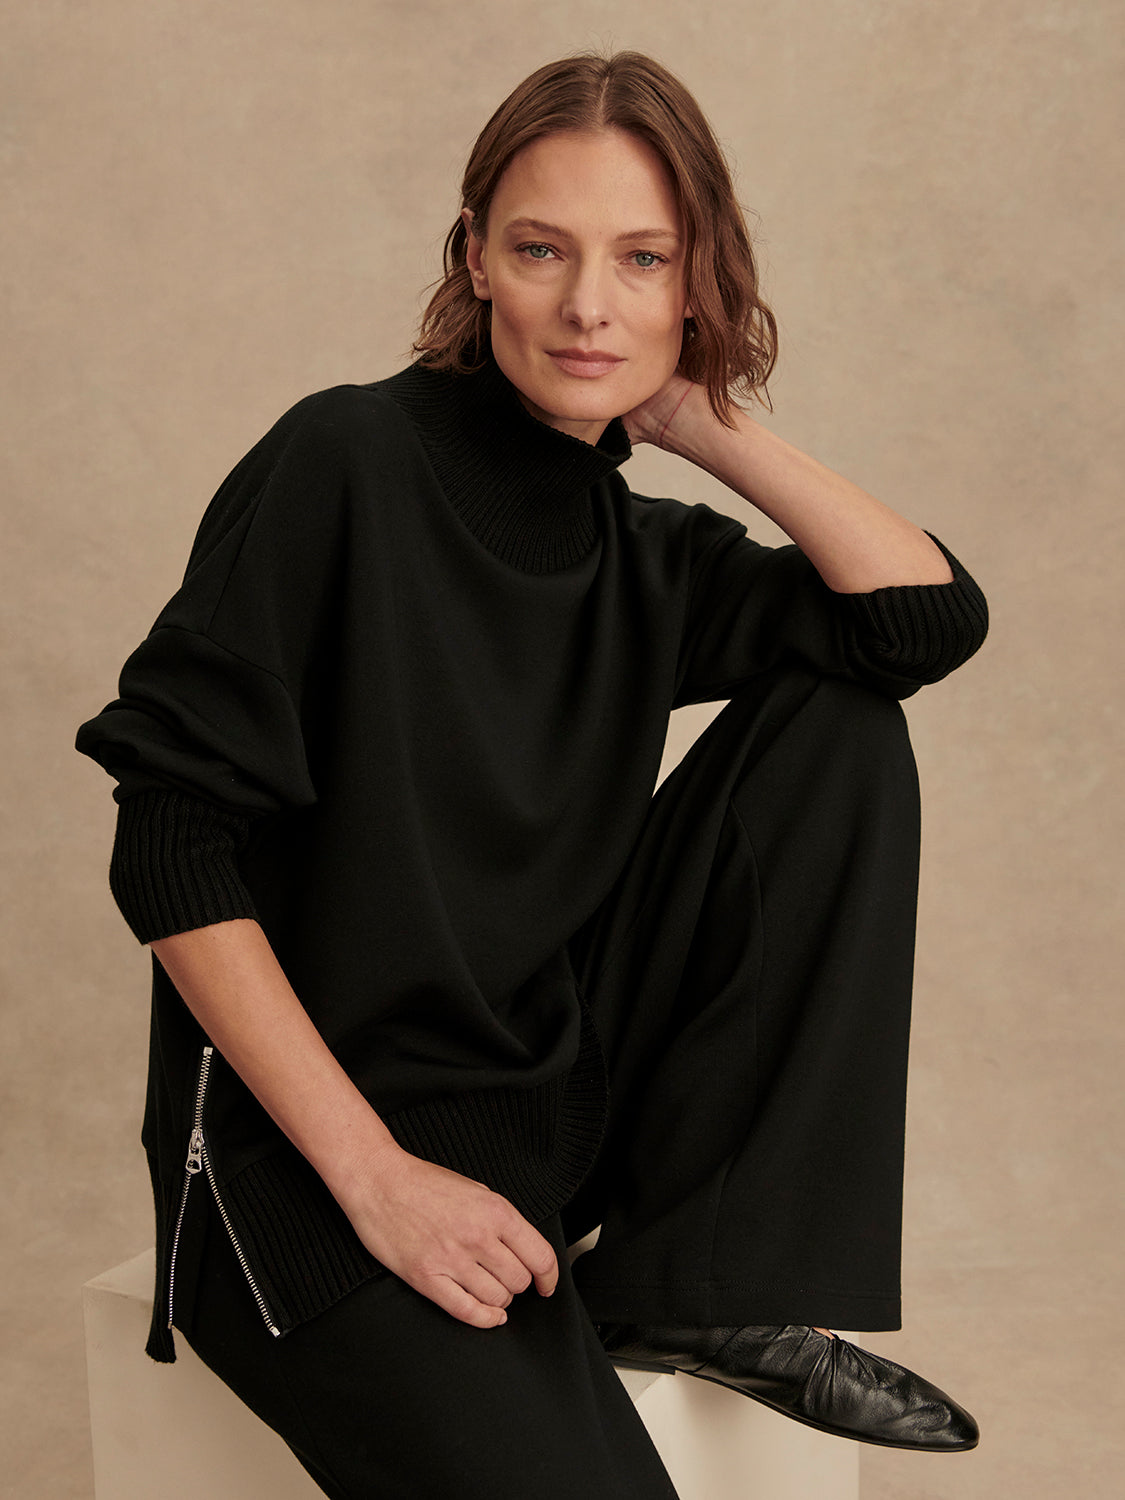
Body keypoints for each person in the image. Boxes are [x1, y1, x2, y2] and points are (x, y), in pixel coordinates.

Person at [76, 49, 987, 1500]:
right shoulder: (344, 462)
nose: (588, 306)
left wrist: (695, 418)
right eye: (543, 250)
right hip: (306, 1165)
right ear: (475, 260)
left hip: (541, 1123)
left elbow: (921, 622)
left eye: (644, 260)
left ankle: (696, 1278)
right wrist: (379, 1183)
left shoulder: (639, 558)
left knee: (844, 718)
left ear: (697, 282)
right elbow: (169, 846)